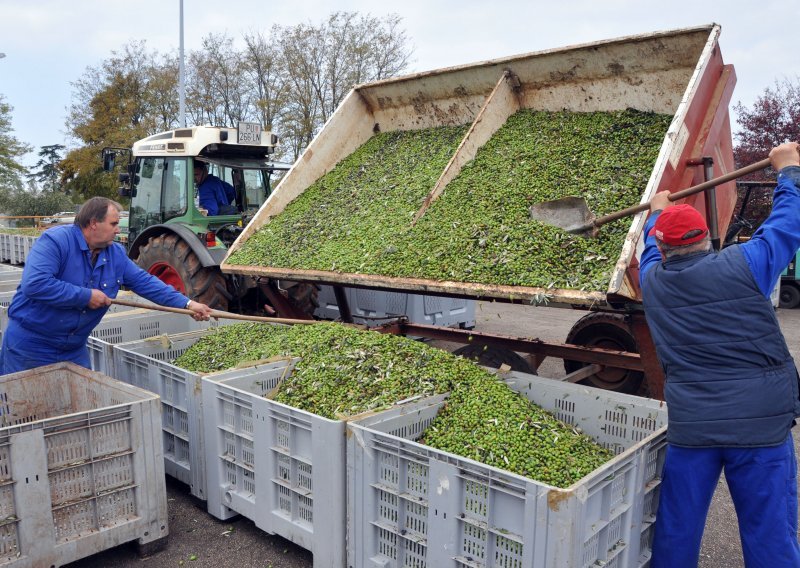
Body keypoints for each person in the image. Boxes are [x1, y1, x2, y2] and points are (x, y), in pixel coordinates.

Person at [639, 141, 800, 567]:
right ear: (704, 240)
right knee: (769, 534)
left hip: (694, 427)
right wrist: (789, 172)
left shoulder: (653, 282)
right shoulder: (746, 264)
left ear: (665, 247)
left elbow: (648, 250)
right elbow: (786, 224)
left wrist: (656, 212)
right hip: (761, 428)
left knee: (676, 529)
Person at [0, 197, 213, 373]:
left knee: (80, 414)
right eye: (113, 224)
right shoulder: (56, 242)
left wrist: (187, 304)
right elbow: (35, 284)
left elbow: (145, 282)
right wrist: (85, 296)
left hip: (73, 348)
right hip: (32, 346)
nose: (117, 229)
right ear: (94, 223)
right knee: (28, 413)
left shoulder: (115, 253)